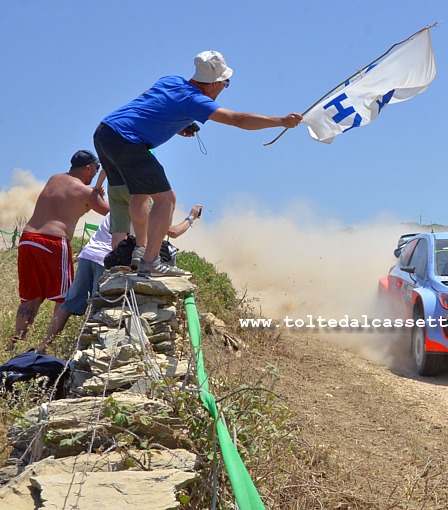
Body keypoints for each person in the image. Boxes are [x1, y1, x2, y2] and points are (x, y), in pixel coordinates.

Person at [94, 50, 302, 278]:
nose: (224, 88)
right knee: (166, 199)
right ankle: (150, 262)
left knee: (139, 193)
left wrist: (177, 124)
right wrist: (281, 121)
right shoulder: (196, 100)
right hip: (129, 140)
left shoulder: (170, 80)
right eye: (226, 83)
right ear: (214, 84)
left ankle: (140, 251)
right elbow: (237, 119)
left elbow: (148, 97)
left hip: (106, 132)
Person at [38, 204, 203, 353]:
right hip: (106, 260)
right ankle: (84, 353)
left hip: (88, 254)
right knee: (98, 309)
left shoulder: (122, 202)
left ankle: (43, 346)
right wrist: (191, 217)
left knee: (68, 304)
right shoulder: (146, 206)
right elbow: (173, 232)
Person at [10, 150, 109, 353]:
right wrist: (96, 195)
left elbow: (67, 202)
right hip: (53, 241)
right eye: (96, 169)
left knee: (31, 296)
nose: (95, 173)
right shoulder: (85, 192)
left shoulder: (54, 178)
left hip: (28, 239)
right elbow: (110, 212)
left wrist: (91, 194)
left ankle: (15, 344)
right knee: (65, 297)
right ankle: (46, 346)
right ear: (88, 168)